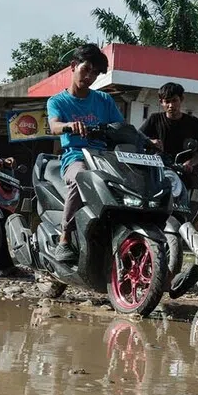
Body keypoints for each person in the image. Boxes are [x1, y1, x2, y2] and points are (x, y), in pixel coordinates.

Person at [46, 43, 123, 263]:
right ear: (74, 66)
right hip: (76, 158)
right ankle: (64, 238)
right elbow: (54, 126)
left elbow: (121, 128)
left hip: (104, 159)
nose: (89, 76)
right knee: (81, 177)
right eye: (86, 69)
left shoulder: (104, 100)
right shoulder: (57, 101)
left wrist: (147, 141)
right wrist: (69, 125)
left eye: (95, 73)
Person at [140, 82, 198, 171]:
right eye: (167, 101)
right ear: (161, 102)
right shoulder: (154, 119)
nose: (171, 105)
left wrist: (190, 163)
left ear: (181, 99)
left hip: (183, 174)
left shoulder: (192, 122)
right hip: (158, 172)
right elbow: (138, 137)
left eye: (174, 100)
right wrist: (150, 141)